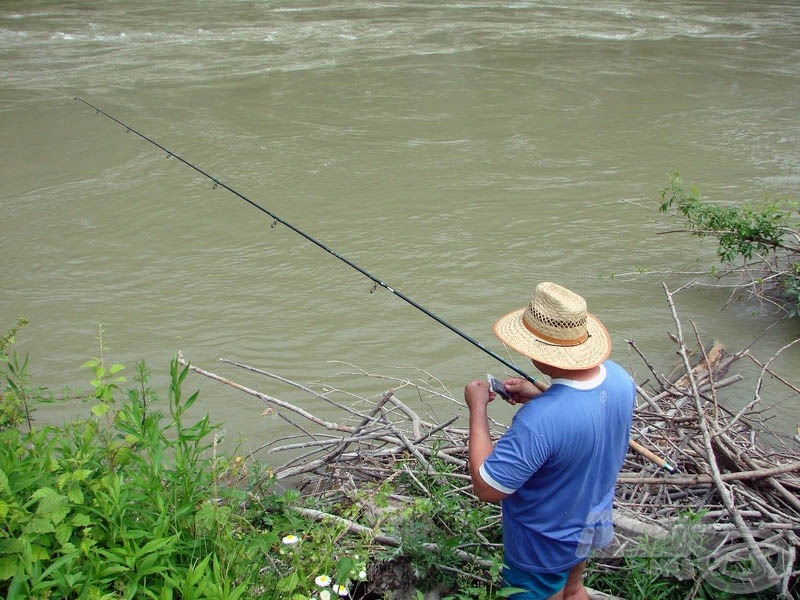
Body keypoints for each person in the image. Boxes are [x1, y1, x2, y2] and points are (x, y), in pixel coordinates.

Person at [464, 282, 635, 600]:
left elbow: (487, 487)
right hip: (590, 521)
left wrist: (477, 408)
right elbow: (583, 413)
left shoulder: (540, 420)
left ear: (538, 351)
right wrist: (543, 393)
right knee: (573, 590)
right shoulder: (619, 378)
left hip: (542, 543)